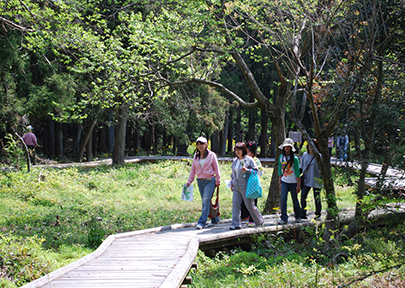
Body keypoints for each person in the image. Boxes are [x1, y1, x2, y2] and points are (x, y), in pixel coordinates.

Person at [187, 136, 221, 229]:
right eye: (198, 144)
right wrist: (189, 181)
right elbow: (193, 170)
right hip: (200, 181)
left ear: (206, 144)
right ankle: (215, 218)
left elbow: (216, 168)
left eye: (202, 144)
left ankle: (202, 222)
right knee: (206, 201)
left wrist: (218, 180)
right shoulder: (196, 156)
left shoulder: (211, 155)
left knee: (205, 201)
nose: (200, 146)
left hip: (210, 181)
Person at [230, 142, 264, 230]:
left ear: (243, 150)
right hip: (237, 187)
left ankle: (259, 221)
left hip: (246, 186)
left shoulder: (249, 160)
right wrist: (232, 183)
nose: (237, 152)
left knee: (250, 206)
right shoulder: (235, 161)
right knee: (236, 205)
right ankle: (236, 224)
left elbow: (256, 171)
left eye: (239, 150)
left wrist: (247, 170)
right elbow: (233, 174)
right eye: (236, 150)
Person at [278, 138, 301, 224]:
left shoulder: (295, 159)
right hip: (284, 181)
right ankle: (284, 218)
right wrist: (280, 183)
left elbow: (297, 173)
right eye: (285, 146)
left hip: (293, 182)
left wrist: (298, 185)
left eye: (288, 147)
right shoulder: (281, 157)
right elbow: (279, 171)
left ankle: (298, 216)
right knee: (283, 200)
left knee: (295, 199)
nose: (287, 148)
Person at [241, 141, 263, 227]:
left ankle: (254, 219)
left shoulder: (255, 160)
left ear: (253, 153)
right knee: (245, 201)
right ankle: (245, 216)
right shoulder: (244, 159)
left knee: (253, 203)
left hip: (253, 184)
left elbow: (259, 172)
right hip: (245, 184)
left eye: (248, 152)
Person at [300, 139, 322, 220]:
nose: (311, 148)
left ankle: (318, 214)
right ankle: (303, 213)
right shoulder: (305, 155)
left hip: (316, 180)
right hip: (306, 180)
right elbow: (301, 167)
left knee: (317, 198)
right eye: (309, 146)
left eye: (313, 146)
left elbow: (323, 169)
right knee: (303, 196)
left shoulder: (319, 156)